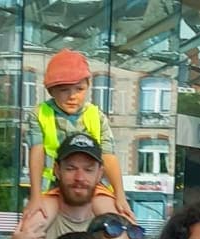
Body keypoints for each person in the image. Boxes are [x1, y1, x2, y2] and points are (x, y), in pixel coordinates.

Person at [25, 49, 126, 224]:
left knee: (120, 223)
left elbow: (108, 156)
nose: (72, 96)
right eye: (64, 90)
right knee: (33, 224)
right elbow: (37, 153)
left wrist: (120, 195)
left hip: (91, 188)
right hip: (53, 187)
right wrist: (35, 196)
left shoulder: (97, 116)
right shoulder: (40, 114)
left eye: (79, 89)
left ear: (88, 87)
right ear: (51, 91)